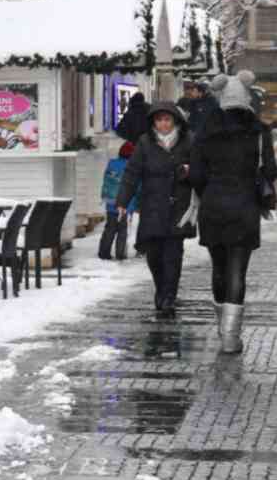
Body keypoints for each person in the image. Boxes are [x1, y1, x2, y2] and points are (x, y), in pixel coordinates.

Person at [188, 70, 277, 353]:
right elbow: (270, 171)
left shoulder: (205, 133)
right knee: (238, 270)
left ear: (221, 97)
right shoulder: (259, 132)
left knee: (218, 267)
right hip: (245, 206)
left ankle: (221, 328)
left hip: (213, 205)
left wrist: (209, 192)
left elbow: (197, 175)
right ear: (248, 98)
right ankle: (230, 337)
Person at [116, 102, 197, 317]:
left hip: (178, 205)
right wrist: (123, 200)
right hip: (152, 204)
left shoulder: (188, 141)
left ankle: (169, 295)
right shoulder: (145, 142)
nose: (163, 124)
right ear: (153, 122)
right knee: (153, 253)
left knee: (173, 254)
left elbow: (202, 168)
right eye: (159, 120)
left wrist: (190, 171)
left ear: (175, 121)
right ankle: (161, 287)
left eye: (167, 120)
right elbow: (132, 173)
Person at [98, 141, 139, 260]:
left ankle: (103, 252)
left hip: (111, 203)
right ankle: (120, 254)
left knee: (109, 229)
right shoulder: (132, 168)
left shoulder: (111, 164)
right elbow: (136, 187)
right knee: (122, 231)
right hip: (125, 205)